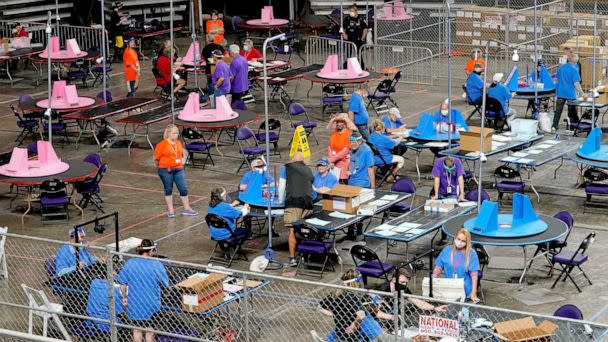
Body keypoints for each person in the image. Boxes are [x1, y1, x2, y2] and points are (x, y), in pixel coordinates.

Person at [117, 239, 169, 342]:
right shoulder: (156, 264)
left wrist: (124, 297)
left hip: (135, 303)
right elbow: (165, 284)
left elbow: (122, 284)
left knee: (137, 330)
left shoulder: (130, 263)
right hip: (151, 304)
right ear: (150, 251)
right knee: (149, 330)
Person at [277, 152, 314, 267]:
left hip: (293, 202)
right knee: (305, 230)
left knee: (292, 230)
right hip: (308, 203)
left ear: (292, 159)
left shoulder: (287, 168)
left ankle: (292, 258)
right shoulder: (308, 170)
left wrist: (280, 199)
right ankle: (305, 255)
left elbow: (282, 185)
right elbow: (311, 186)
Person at [153, 124, 198, 217]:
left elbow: (181, 155)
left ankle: (187, 208)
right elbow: (155, 158)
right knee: (168, 189)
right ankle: (171, 210)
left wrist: (182, 162)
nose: (176, 135)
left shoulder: (178, 143)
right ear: (168, 133)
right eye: (174, 133)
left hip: (178, 169)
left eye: (177, 133)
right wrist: (162, 166)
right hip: (166, 170)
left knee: (183, 188)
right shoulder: (162, 144)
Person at [433, 228, 481, 303]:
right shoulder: (447, 250)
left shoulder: (471, 253)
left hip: (465, 290)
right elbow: (439, 266)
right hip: (449, 288)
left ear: (467, 242)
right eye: (458, 239)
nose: (460, 242)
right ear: (455, 237)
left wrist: (473, 292)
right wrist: (433, 278)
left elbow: (474, 275)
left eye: (463, 241)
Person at [319, 269, 366, 342]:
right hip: (353, 336)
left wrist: (333, 314)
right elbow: (362, 316)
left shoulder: (334, 295)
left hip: (339, 333)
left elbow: (319, 307)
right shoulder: (353, 297)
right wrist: (354, 325)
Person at [553, 54, 586, 132]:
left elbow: (556, 79)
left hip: (560, 92)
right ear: (576, 61)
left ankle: (554, 125)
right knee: (571, 111)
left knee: (558, 110)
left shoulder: (561, 68)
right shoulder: (574, 69)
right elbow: (576, 84)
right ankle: (572, 127)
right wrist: (582, 94)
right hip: (570, 93)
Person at [327, 114, 354, 182]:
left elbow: (344, 152)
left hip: (343, 161)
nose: (339, 124)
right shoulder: (334, 133)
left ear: (345, 123)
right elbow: (330, 148)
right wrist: (332, 161)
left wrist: (331, 160)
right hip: (333, 161)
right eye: (337, 122)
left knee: (342, 182)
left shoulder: (348, 134)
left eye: (341, 122)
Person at [342, 4, 368, 68]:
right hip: (349, 39)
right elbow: (342, 28)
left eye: (352, 11)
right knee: (348, 54)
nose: (351, 12)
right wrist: (344, 34)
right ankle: (346, 67)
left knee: (359, 54)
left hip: (358, 39)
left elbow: (365, 29)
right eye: (350, 11)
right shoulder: (347, 19)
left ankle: (362, 67)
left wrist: (362, 38)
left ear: (356, 11)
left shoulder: (361, 19)